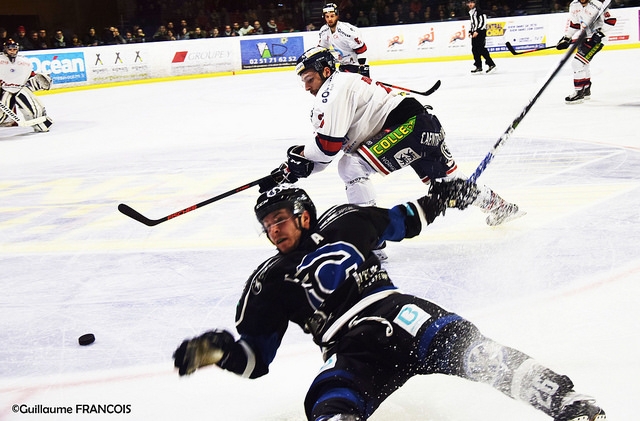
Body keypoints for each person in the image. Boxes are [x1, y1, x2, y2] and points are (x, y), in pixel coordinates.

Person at [173, 184, 606, 421]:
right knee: (329, 402)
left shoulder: (346, 221)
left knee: (480, 355)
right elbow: (255, 359)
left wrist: (443, 196)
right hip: (351, 348)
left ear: (304, 215)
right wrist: (221, 353)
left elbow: (405, 218)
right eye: (267, 226)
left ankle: (568, 404)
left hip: (403, 313)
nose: (274, 231)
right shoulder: (268, 282)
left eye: (280, 220)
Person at [264, 47, 522, 231]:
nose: (307, 87)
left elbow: (327, 150)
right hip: (423, 125)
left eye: (309, 79)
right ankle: (500, 207)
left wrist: (298, 159)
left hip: (410, 126)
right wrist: (291, 169)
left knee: (351, 166)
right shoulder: (339, 87)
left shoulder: (333, 89)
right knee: (449, 186)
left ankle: (371, 238)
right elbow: (323, 153)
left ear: (326, 70)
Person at [555, 0, 616, 103]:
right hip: (583, 38)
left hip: (596, 40)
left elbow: (611, 20)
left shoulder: (597, 5)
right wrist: (567, 38)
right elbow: (574, 24)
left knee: (577, 63)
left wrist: (601, 33)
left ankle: (579, 93)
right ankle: (586, 90)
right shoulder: (574, 5)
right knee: (583, 64)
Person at [0, 39, 53, 132]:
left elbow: (29, 75)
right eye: (10, 49)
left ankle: (39, 122)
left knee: (36, 111)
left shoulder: (24, 61)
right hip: (4, 89)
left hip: (20, 88)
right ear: (5, 49)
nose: (12, 51)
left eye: (14, 49)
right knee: (1, 113)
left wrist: (35, 78)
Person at [318, 3, 369, 77]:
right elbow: (322, 49)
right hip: (343, 66)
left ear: (337, 16)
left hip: (356, 65)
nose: (329, 19)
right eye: (327, 17)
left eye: (332, 16)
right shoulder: (324, 31)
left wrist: (363, 68)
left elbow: (362, 49)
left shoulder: (346, 31)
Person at [467, 0, 496, 73]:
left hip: (480, 32)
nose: (470, 4)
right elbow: (473, 23)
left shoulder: (479, 11)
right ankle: (478, 66)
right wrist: (471, 31)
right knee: (475, 49)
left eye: (472, 2)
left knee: (481, 49)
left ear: (475, 3)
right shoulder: (471, 12)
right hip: (475, 32)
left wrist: (477, 31)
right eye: (469, 3)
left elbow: (483, 22)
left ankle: (491, 64)